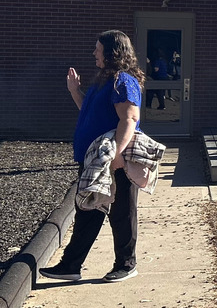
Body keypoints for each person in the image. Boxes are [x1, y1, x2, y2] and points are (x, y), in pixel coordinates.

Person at [41, 30, 144, 282]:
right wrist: (74, 91)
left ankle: (126, 264)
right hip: (96, 161)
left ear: (112, 52)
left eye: (98, 49)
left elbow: (130, 118)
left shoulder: (123, 80)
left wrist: (117, 155)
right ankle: (70, 266)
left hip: (114, 160)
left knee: (121, 213)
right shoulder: (104, 81)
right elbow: (91, 114)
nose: (94, 53)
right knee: (87, 209)